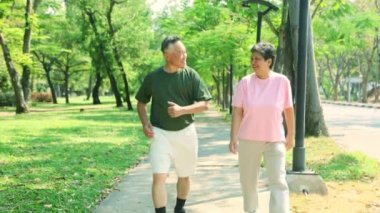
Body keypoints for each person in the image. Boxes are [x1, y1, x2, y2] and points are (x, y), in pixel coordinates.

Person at [135, 36, 212, 213]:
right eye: (180, 53)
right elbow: (141, 103)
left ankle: (179, 208)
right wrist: (145, 123)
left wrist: (182, 110)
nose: (184, 56)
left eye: (185, 52)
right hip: (160, 133)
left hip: (186, 133)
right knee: (159, 177)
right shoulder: (153, 77)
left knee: (184, 176)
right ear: (167, 55)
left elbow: (205, 104)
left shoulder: (190, 75)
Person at [229, 42, 295, 213]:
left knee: (278, 182)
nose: (253, 62)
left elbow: (288, 110)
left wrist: (291, 136)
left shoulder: (282, 82)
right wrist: (233, 138)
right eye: (252, 59)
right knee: (249, 184)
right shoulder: (245, 83)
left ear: (269, 61)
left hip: (274, 140)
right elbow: (237, 111)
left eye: (257, 59)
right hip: (249, 140)